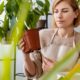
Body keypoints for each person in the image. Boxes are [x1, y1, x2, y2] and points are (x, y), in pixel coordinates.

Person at [19, 0, 80, 80]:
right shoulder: (42, 35)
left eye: (65, 11)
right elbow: (34, 73)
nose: (59, 16)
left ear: (76, 13)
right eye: (56, 11)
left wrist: (56, 70)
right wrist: (25, 56)